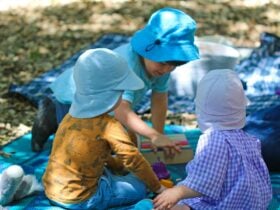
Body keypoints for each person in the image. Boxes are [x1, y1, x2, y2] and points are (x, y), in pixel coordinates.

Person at [31, 7, 199, 153]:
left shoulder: (162, 67)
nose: (167, 70)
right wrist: (152, 135)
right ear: (148, 50)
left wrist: (158, 134)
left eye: (174, 66)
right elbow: (122, 111)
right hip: (75, 99)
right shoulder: (126, 66)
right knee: (79, 146)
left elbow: (159, 98)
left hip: (107, 105)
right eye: (163, 63)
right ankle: (50, 114)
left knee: (113, 142)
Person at [42, 48, 167, 210]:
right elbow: (133, 159)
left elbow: (94, 152)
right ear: (111, 95)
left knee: (110, 170)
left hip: (52, 189)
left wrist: (116, 166)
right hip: (82, 199)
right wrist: (158, 187)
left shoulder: (70, 115)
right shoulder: (109, 125)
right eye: (121, 92)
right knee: (139, 186)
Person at [153, 69, 272, 210]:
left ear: (201, 109)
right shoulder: (248, 139)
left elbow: (205, 182)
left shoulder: (213, 139)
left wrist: (177, 192)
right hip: (253, 203)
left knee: (166, 207)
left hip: (227, 204)